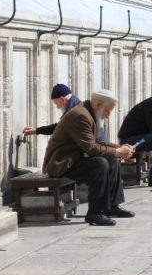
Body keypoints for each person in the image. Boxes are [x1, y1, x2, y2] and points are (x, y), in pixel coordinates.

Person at [43, 89, 135, 226]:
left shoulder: (90, 113)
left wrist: (120, 149)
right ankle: (95, 213)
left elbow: (99, 142)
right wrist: (118, 152)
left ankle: (112, 206)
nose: (108, 115)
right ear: (98, 105)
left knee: (112, 160)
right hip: (61, 163)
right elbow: (91, 149)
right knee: (99, 164)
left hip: (73, 159)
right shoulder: (80, 116)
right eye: (108, 110)